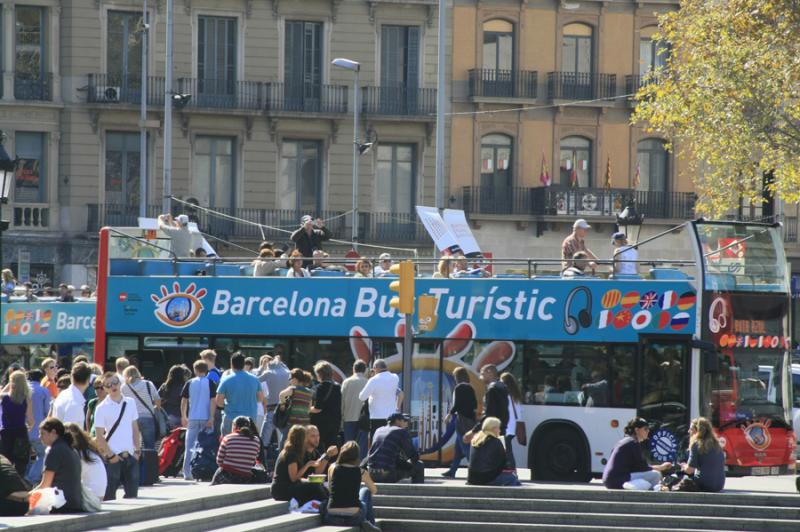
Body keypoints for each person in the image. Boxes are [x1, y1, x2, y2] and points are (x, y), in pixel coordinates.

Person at [94, 372, 141, 500]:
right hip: (113, 456)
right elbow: (99, 435)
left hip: (131, 454)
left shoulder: (130, 402)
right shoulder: (101, 408)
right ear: (104, 388)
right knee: (109, 497)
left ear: (120, 383)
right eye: (108, 385)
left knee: (132, 495)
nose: (113, 386)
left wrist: (137, 450)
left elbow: (135, 428)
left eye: (115, 382)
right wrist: (110, 455)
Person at [602, 417, 672, 490]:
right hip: (617, 480)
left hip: (610, 480)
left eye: (648, 429)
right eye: (645, 429)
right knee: (656, 475)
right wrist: (660, 467)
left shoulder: (626, 441)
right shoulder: (633, 442)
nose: (648, 431)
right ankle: (651, 497)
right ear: (637, 430)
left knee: (652, 475)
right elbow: (642, 467)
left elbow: (637, 466)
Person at [324, 441, 380, 531]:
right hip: (354, 518)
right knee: (365, 490)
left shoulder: (332, 467)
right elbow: (374, 490)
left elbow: (331, 490)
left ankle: (367, 523)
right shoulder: (361, 472)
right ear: (357, 456)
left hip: (332, 517)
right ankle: (370, 524)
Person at [34, 418, 82, 512]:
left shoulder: (55, 450)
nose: (39, 437)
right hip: (75, 503)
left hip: (60, 505)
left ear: (53, 432)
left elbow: (45, 485)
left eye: (42, 433)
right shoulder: (71, 449)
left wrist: (27, 496)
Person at [271, 425, 328, 505]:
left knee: (320, 487)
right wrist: (308, 465)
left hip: (290, 486)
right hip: (281, 490)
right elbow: (294, 478)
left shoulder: (297, 452)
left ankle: (327, 504)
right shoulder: (291, 453)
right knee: (314, 488)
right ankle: (326, 505)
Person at [181, 360, 217, 480]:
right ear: (206, 370)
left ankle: (187, 472)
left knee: (189, 446)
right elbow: (213, 401)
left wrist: (183, 416)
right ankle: (206, 467)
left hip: (192, 417)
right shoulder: (210, 383)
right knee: (207, 445)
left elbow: (184, 401)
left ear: (195, 370)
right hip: (206, 418)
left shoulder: (190, 382)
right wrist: (211, 416)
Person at [367, 413, 423, 484]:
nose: (405, 423)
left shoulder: (378, 430)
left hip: (371, 473)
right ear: (397, 421)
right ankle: (417, 492)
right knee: (419, 465)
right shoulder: (401, 431)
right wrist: (412, 461)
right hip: (386, 474)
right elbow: (412, 455)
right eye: (404, 420)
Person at [216, 353, 263, 436]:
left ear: (231, 364)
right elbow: (260, 398)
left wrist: (226, 405)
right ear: (243, 364)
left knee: (228, 443)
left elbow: (219, 401)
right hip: (250, 419)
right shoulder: (255, 379)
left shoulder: (226, 380)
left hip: (231, 418)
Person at [442, 367, 477, 478]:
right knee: (458, 447)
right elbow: (475, 405)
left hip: (461, 419)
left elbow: (456, 405)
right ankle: (453, 470)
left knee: (465, 446)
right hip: (470, 420)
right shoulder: (470, 387)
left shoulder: (458, 388)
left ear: (457, 377)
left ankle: (474, 469)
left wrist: (449, 415)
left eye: (454, 376)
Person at [467, 417, 521, 486]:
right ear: (493, 428)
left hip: (472, 478)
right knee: (513, 479)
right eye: (498, 428)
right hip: (487, 478)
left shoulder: (475, 440)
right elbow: (504, 464)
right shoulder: (496, 441)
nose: (499, 430)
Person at [0, 371, 35, 475]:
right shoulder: (27, 399)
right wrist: (30, 426)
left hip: (5, 433)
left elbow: (3, 391)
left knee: (5, 463)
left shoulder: (4, 398)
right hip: (20, 432)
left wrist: (9, 384)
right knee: (20, 464)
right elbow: (31, 420)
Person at [359, 359, 403, 440]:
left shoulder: (373, 380)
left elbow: (362, 397)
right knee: (390, 440)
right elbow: (398, 392)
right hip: (391, 416)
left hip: (377, 417)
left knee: (377, 441)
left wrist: (371, 380)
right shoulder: (395, 377)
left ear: (375, 368)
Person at [121, 366, 161, 454]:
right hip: (147, 417)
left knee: (133, 445)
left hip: (131, 419)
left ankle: (135, 464)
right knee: (149, 446)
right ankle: (148, 466)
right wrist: (154, 408)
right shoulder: (148, 384)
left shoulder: (124, 387)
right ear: (138, 373)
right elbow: (157, 400)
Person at [679, 417, 725, 492]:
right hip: (719, 485)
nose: (688, 431)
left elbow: (690, 470)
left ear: (697, 431)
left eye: (690, 429)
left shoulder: (696, 444)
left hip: (704, 484)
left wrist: (683, 465)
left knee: (678, 477)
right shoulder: (717, 445)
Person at [211, 416, 262, 485]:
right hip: (245, 477)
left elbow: (219, 461)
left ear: (235, 426)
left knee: (219, 471)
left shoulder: (228, 438)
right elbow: (253, 461)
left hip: (228, 476)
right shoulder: (256, 440)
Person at [64, 422, 107, 501]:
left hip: (90, 497)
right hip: (99, 495)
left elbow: (70, 479)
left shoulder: (78, 454)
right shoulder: (89, 452)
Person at [259, 354, 291, 448]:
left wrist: (262, 367)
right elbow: (287, 369)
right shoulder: (287, 372)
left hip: (271, 409)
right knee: (283, 441)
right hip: (284, 410)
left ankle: (262, 460)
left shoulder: (268, 373)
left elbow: (256, 379)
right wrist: (281, 363)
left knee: (264, 441)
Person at [25, 369, 51, 483]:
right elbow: (47, 411)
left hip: (23, 430)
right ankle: (31, 478)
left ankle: (25, 475)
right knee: (42, 455)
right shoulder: (43, 391)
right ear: (41, 378)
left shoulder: (22, 391)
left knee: (28, 456)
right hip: (38, 430)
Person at [310, 361, 342, 451]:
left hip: (321, 423)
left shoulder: (319, 388)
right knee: (331, 446)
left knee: (319, 447)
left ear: (319, 374)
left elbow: (317, 408)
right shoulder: (338, 387)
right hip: (335, 421)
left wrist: (308, 409)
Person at [341, 360, 369, 459]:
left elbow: (342, 401)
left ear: (353, 369)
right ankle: (360, 469)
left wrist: (341, 418)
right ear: (365, 370)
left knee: (348, 446)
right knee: (362, 447)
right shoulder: (367, 382)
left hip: (348, 417)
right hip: (364, 419)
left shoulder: (346, 382)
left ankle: (348, 466)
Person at [500, 372, 523, 469]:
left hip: (507, 427)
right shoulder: (516, 396)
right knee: (507, 449)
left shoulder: (505, 396)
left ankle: (512, 470)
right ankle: (510, 470)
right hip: (514, 428)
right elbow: (520, 412)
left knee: (507, 451)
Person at [159, 365, 188, 430]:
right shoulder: (185, 386)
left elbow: (157, 399)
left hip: (168, 416)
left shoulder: (164, 386)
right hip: (183, 418)